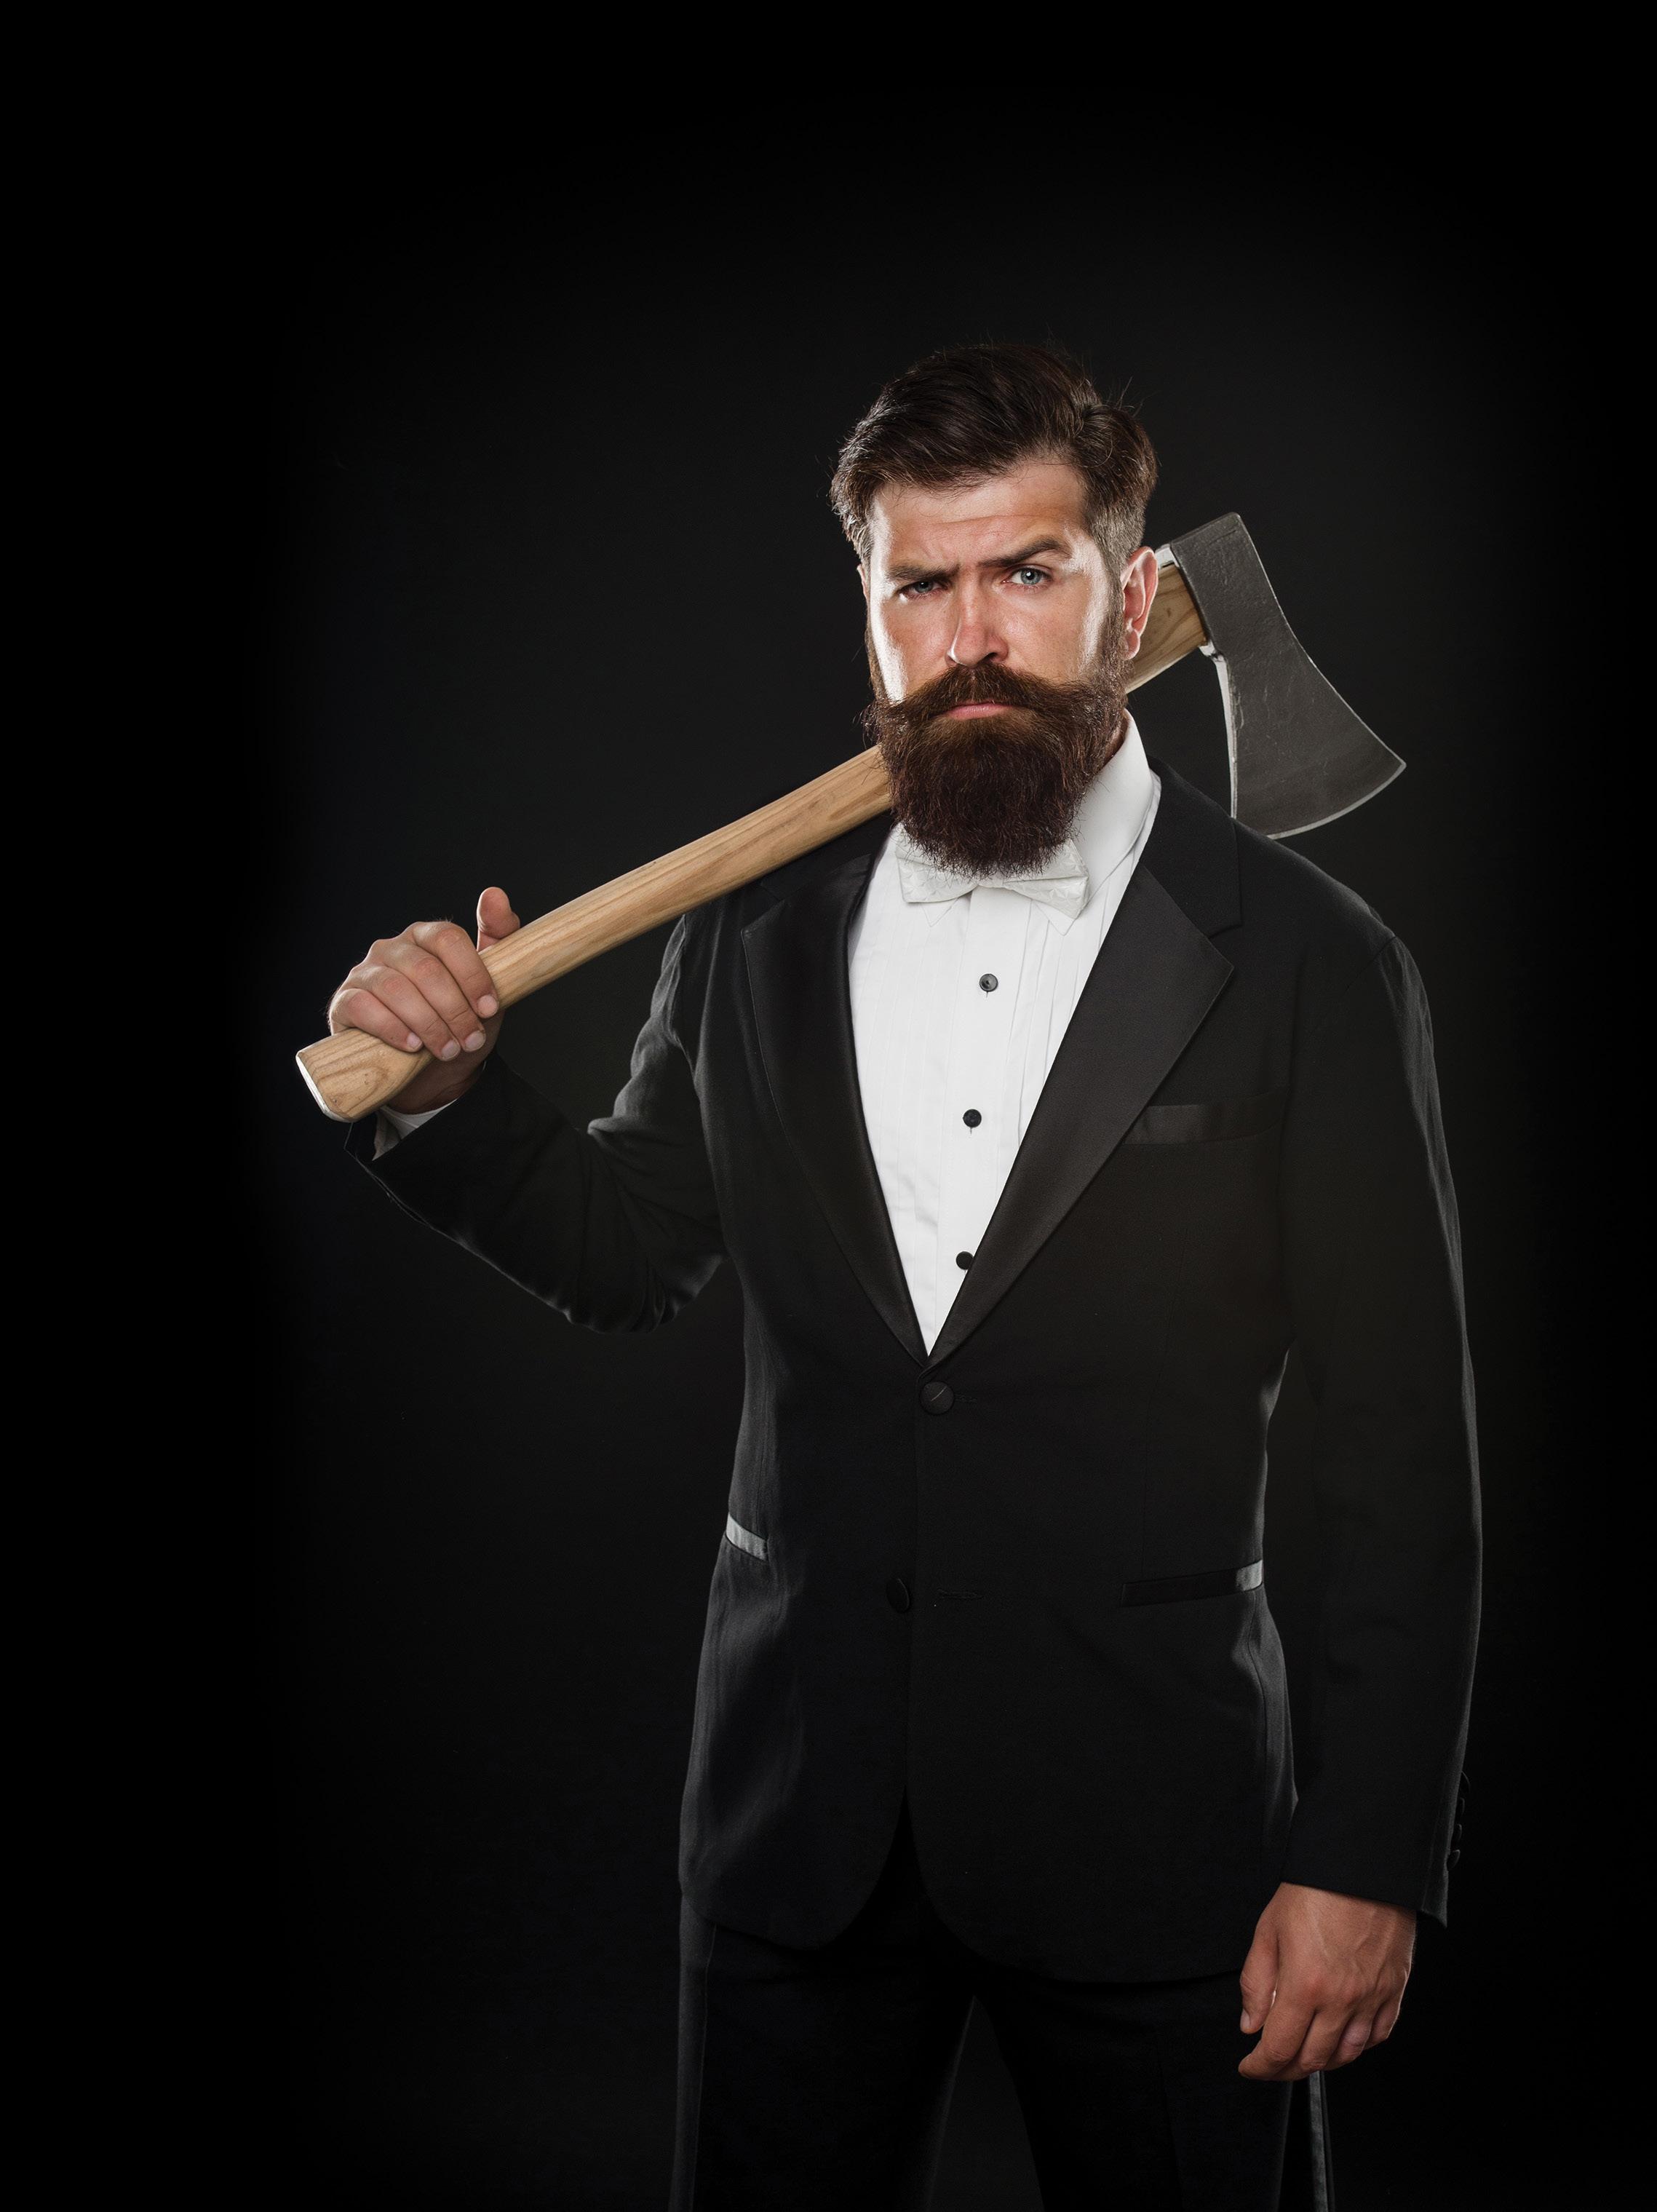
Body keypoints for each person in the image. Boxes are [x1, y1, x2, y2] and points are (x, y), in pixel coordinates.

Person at [325, 343, 1479, 2211]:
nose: (969, 639)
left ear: (1134, 596)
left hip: (1161, 1834)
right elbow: (630, 1250)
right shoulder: (753, 929)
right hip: (797, 1825)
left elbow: (1400, 1452)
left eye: (1025, 570)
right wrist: (449, 1097)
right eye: (918, 584)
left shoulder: (1309, 962)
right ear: (867, 609)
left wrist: (1364, 1860)